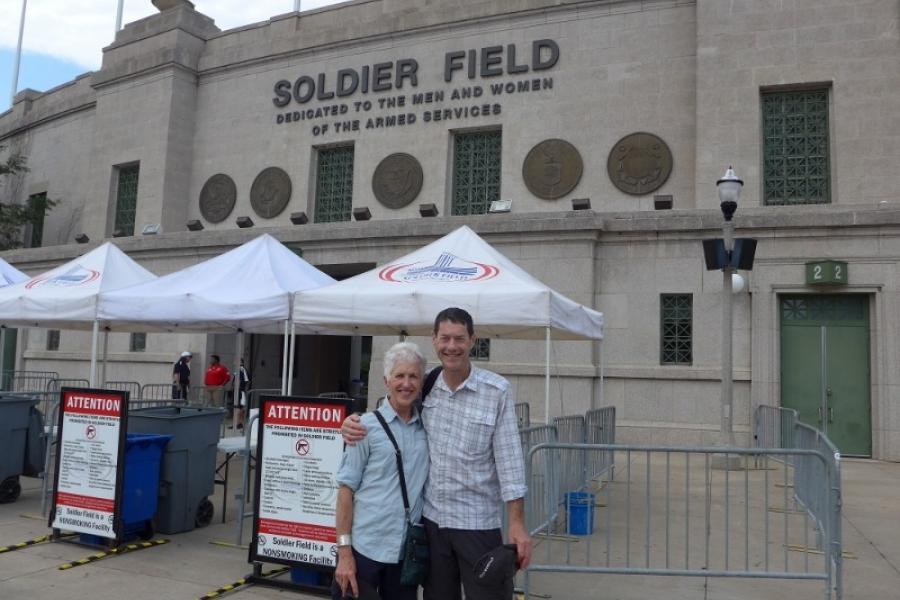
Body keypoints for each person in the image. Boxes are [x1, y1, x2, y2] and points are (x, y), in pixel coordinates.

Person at [343, 308, 531, 600]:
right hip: (432, 527)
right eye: (445, 338)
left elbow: (510, 462)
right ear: (434, 340)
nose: (452, 346)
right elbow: (392, 408)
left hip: (477, 524)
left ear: (472, 340)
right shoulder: (426, 385)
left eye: (459, 338)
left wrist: (517, 523)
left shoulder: (497, 391)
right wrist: (352, 421)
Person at [333, 342, 429, 600]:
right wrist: (344, 554)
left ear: (421, 383)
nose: (406, 384)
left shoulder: (428, 428)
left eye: (413, 376)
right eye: (399, 375)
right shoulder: (364, 427)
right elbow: (345, 491)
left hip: (404, 553)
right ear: (386, 380)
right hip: (365, 548)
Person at [234, 358, 250, 430]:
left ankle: (240, 423)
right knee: (237, 407)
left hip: (241, 391)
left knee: (240, 407)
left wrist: (243, 389)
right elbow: (234, 380)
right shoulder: (236, 370)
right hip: (237, 391)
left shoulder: (242, 369)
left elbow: (247, 380)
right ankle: (237, 423)